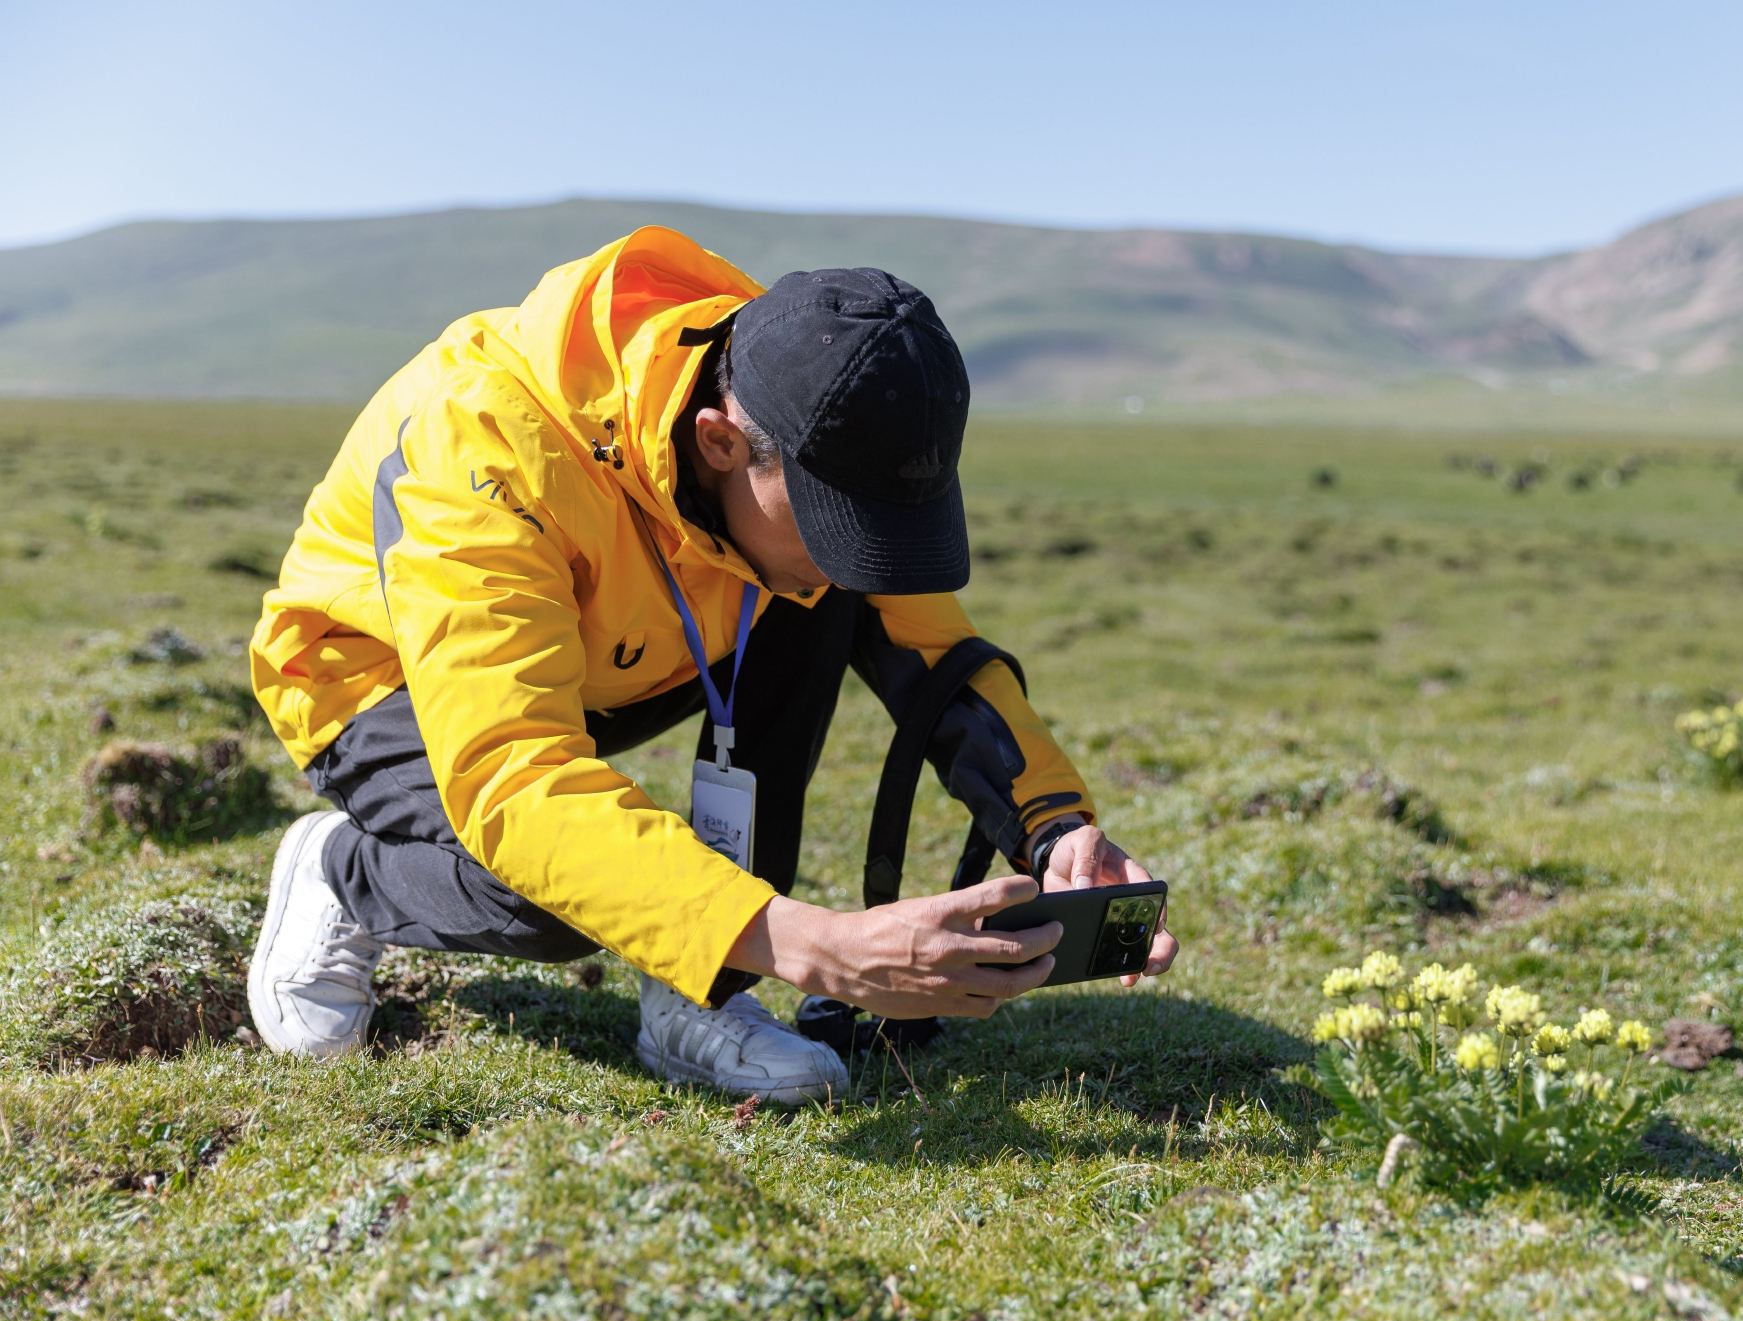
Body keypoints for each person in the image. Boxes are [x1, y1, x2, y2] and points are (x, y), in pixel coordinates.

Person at [244, 228, 1176, 1102]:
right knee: (563, 896)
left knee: (821, 591)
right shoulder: (483, 440)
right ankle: (342, 872)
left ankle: (703, 991)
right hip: (380, 676)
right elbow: (514, 784)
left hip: (618, 651)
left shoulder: (806, 387)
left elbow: (930, 645)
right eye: (833, 526)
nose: (847, 558)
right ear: (719, 441)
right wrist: (813, 946)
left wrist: (1055, 829)